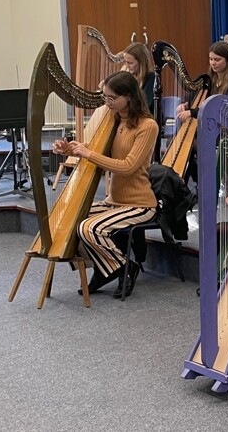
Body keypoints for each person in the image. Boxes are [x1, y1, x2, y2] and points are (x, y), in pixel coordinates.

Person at [54, 71, 159, 299]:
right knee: (70, 220)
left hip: (139, 203)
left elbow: (128, 166)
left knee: (90, 228)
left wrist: (88, 153)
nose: (107, 103)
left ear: (128, 97)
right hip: (115, 201)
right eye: (105, 98)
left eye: (112, 98)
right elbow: (96, 150)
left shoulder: (147, 126)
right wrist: (69, 149)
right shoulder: (113, 119)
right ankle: (106, 269)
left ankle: (125, 268)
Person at [176, 40, 228, 120]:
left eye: (217, 60)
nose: (213, 63)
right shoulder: (208, 80)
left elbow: (222, 108)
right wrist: (184, 103)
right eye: (211, 59)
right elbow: (190, 96)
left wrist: (192, 112)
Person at [121, 42, 158, 117]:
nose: (127, 66)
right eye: (125, 62)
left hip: (147, 120)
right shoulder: (131, 77)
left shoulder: (152, 78)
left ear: (141, 63)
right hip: (133, 118)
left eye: (130, 63)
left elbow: (143, 106)